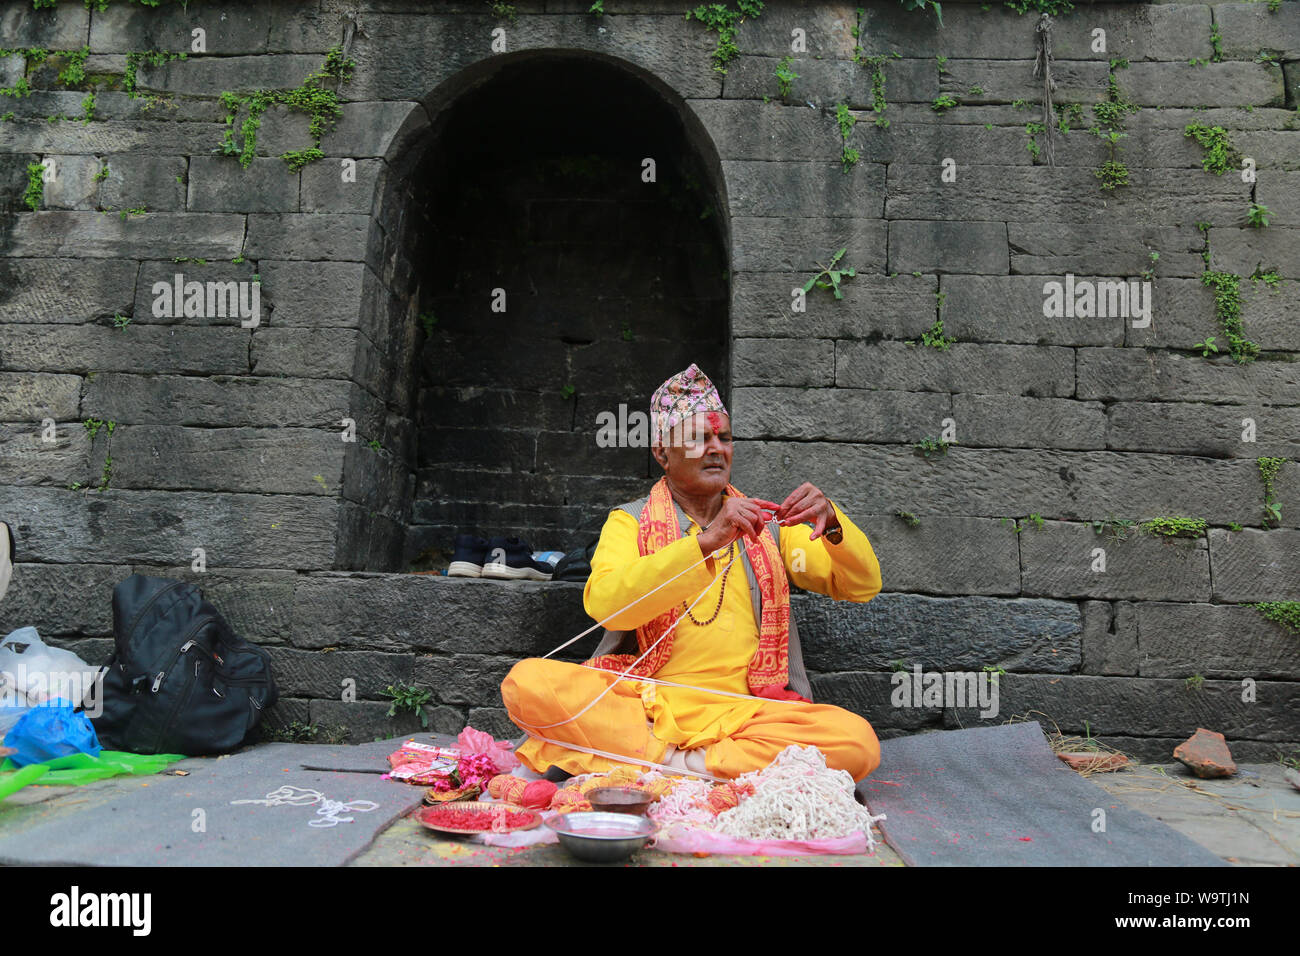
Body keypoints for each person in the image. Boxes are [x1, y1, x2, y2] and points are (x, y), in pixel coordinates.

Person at [500, 364, 884, 781]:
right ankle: (704, 768)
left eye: (724, 437)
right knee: (528, 683)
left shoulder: (769, 526)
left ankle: (669, 766)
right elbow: (608, 607)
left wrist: (833, 524)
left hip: (749, 713)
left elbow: (861, 587)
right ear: (662, 453)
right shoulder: (629, 521)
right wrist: (703, 543)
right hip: (644, 706)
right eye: (699, 439)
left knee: (855, 741)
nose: (717, 448)